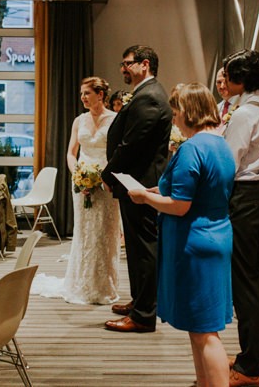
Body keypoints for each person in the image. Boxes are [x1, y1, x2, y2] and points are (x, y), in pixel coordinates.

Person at [129, 83, 235, 387]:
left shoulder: (192, 148)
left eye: (176, 114)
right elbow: (200, 191)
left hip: (195, 242)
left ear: (188, 112)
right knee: (199, 326)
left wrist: (144, 198)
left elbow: (179, 206)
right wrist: (154, 190)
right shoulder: (219, 144)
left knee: (204, 331)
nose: (174, 120)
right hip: (215, 236)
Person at [101, 45, 172, 333]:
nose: (122, 69)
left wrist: (107, 173)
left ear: (145, 64)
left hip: (140, 183)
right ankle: (140, 301)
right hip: (135, 181)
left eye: (127, 63)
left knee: (143, 249)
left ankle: (144, 315)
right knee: (135, 247)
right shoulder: (146, 93)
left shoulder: (150, 97)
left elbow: (131, 144)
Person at [31, 77, 122, 304]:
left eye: (87, 93)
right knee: (84, 233)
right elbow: (71, 153)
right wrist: (78, 175)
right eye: (81, 93)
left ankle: (103, 286)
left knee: (104, 234)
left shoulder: (115, 120)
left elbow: (119, 153)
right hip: (81, 184)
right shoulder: (78, 120)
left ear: (100, 94)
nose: (82, 97)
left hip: (106, 183)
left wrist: (104, 176)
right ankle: (81, 283)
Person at [222, 49, 259, 387]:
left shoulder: (244, 114)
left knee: (245, 283)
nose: (224, 82)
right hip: (258, 194)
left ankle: (250, 368)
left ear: (239, 79)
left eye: (228, 76)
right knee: (256, 279)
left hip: (242, 195)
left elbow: (228, 163)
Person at [215, 62, 241, 136]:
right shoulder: (215, 108)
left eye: (225, 82)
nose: (222, 86)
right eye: (219, 82)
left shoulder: (243, 105)